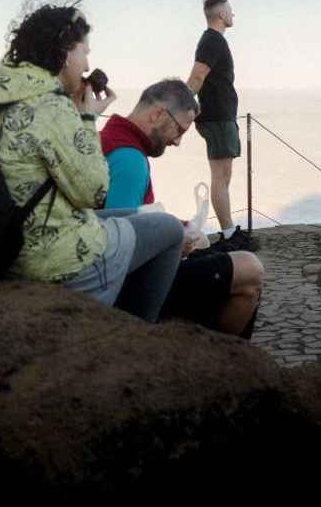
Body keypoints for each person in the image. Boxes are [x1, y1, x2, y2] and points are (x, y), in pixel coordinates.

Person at [0, 0, 184, 322]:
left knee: (136, 212)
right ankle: (134, 330)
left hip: (2, 238)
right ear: (65, 54)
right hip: (50, 260)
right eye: (84, 52)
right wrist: (88, 120)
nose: (87, 64)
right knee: (168, 228)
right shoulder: (52, 106)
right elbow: (92, 192)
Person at [101, 79, 265, 338]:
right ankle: (223, 357)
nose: (177, 142)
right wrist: (176, 244)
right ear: (157, 114)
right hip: (135, 288)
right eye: (180, 130)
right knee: (250, 270)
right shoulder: (129, 160)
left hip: (129, 274)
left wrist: (174, 229)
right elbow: (118, 247)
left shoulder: (110, 138)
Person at [187, 0, 246, 249]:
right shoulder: (212, 40)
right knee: (220, 177)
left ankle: (228, 231)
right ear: (221, 14)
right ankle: (229, 235)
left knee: (224, 176)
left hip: (221, 116)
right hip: (217, 117)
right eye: (230, 10)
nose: (234, 13)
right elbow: (198, 76)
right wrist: (181, 105)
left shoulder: (214, 40)